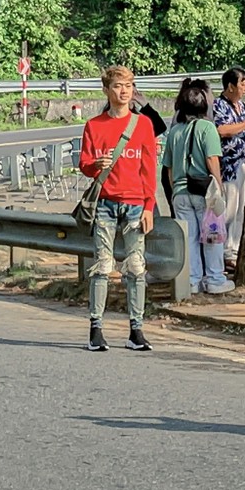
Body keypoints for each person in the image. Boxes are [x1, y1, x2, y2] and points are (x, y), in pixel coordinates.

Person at [79, 65, 160, 353]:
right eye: (117, 86)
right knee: (102, 266)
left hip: (136, 204)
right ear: (106, 89)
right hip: (105, 203)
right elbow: (85, 164)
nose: (123, 91)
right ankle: (95, 328)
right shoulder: (94, 125)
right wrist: (95, 165)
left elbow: (149, 168)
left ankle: (136, 330)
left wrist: (150, 205)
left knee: (136, 268)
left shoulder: (144, 125)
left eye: (128, 85)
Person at [164, 77, 232, 295]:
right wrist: (219, 186)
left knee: (189, 238)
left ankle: (192, 280)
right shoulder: (207, 128)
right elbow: (213, 159)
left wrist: (176, 188)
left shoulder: (175, 131)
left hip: (181, 192)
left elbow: (169, 167)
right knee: (212, 235)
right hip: (205, 191)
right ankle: (214, 279)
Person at [210, 68, 245, 263]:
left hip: (244, 163)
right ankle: (223, 251)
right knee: (229, 209)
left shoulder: (243, 106)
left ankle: (233, 249)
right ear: (230, 86)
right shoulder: (219, 105)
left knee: (241, 209)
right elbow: (222, 129)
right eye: (243, 83)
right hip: (228, 166)